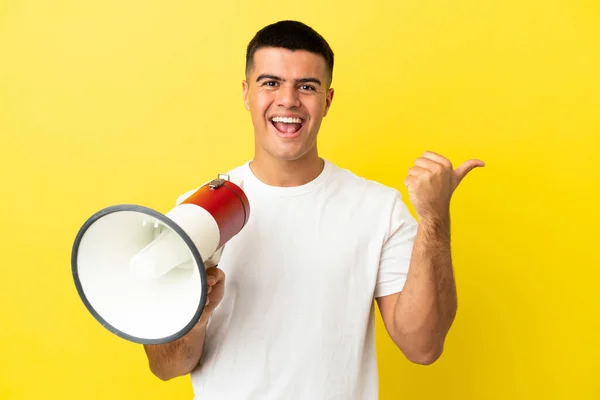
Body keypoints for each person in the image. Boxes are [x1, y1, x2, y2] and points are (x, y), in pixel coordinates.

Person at [143, 20, 485, 399]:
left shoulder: (378, 209)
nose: (288, 99)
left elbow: (423, 347)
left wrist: (434, 218)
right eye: (270, 83)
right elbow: (166, 367)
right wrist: (196, 316)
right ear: (246, 93)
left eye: (307, 86)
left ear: (327, 100)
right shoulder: (199, 209)